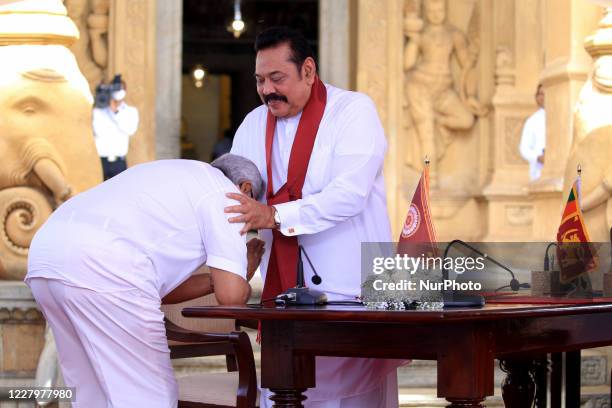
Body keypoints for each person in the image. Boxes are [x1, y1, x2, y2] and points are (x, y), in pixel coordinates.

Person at [228, 26, 399, 408]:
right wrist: (242, 193)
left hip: (351, 292)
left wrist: (272, 214)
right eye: (260, 80)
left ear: (308, 70)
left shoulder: (353, 111)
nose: (267, 90)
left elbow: (348, 195)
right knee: (283, 394)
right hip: (284, 300)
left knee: (352, 399)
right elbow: (237, 185)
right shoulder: (255, 123)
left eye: (277, 78)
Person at [24, 155, 266, 408]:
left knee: (90, 394)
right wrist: (243, 270)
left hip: (47, 254)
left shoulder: (178, 175)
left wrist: (217, 280)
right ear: (246, 188)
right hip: (103, 264)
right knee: (151, 396)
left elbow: (160, 291)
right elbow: (232, 297)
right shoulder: (228, 196)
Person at [92, 78, 139, 180]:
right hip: (101, 161)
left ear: (125, 91)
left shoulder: (130, 112)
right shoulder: (99, 111)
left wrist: (116, 112)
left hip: (119, 162)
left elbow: (130, 129)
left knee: (120, 193)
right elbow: (98, 132)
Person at [519, 83, 546, 181]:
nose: (541, 97)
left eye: (544, 94)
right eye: (539, 94)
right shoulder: (532, 121)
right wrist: (538, 157)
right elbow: (524, 148)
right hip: (538, 173)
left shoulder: (562, 117)